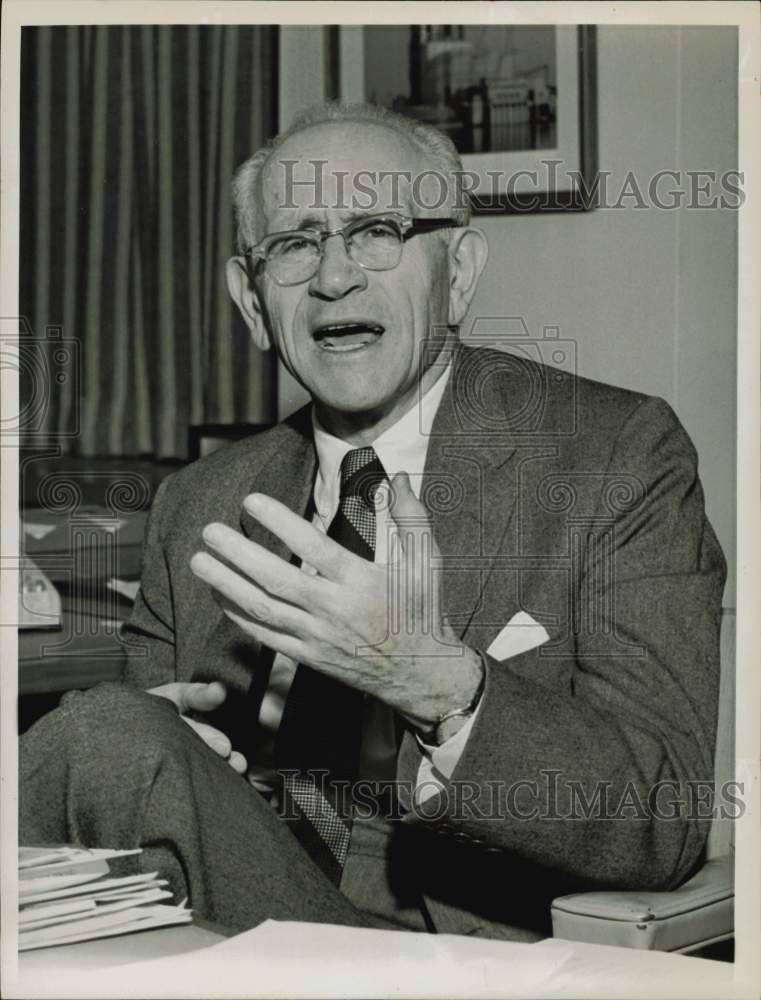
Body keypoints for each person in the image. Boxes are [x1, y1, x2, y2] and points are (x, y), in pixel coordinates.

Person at [20, 102, 726, 942]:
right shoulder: (201, 501)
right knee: (104, 740)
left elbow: (663, 817)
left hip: (453, 957)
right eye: (294, 243)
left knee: (95, 734)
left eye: (377, 230)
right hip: (215, 937)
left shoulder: (615, 457)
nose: (333, 276)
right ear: (250, 302)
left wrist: (434, 681)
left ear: (458, 272)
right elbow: (141, 806)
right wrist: (176, 756)